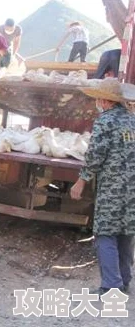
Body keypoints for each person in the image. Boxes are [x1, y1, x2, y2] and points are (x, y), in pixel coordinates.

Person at [70, 78, 135, 295]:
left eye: (99, 97)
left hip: (112, 189)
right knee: (126, 234)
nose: (97, 101)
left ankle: (111, 286)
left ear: (106, 101)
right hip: (133, 189)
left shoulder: (105, 121)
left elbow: (95, 155)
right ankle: (124, 282)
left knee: (105, 234)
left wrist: (81, 181)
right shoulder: (133, 121)